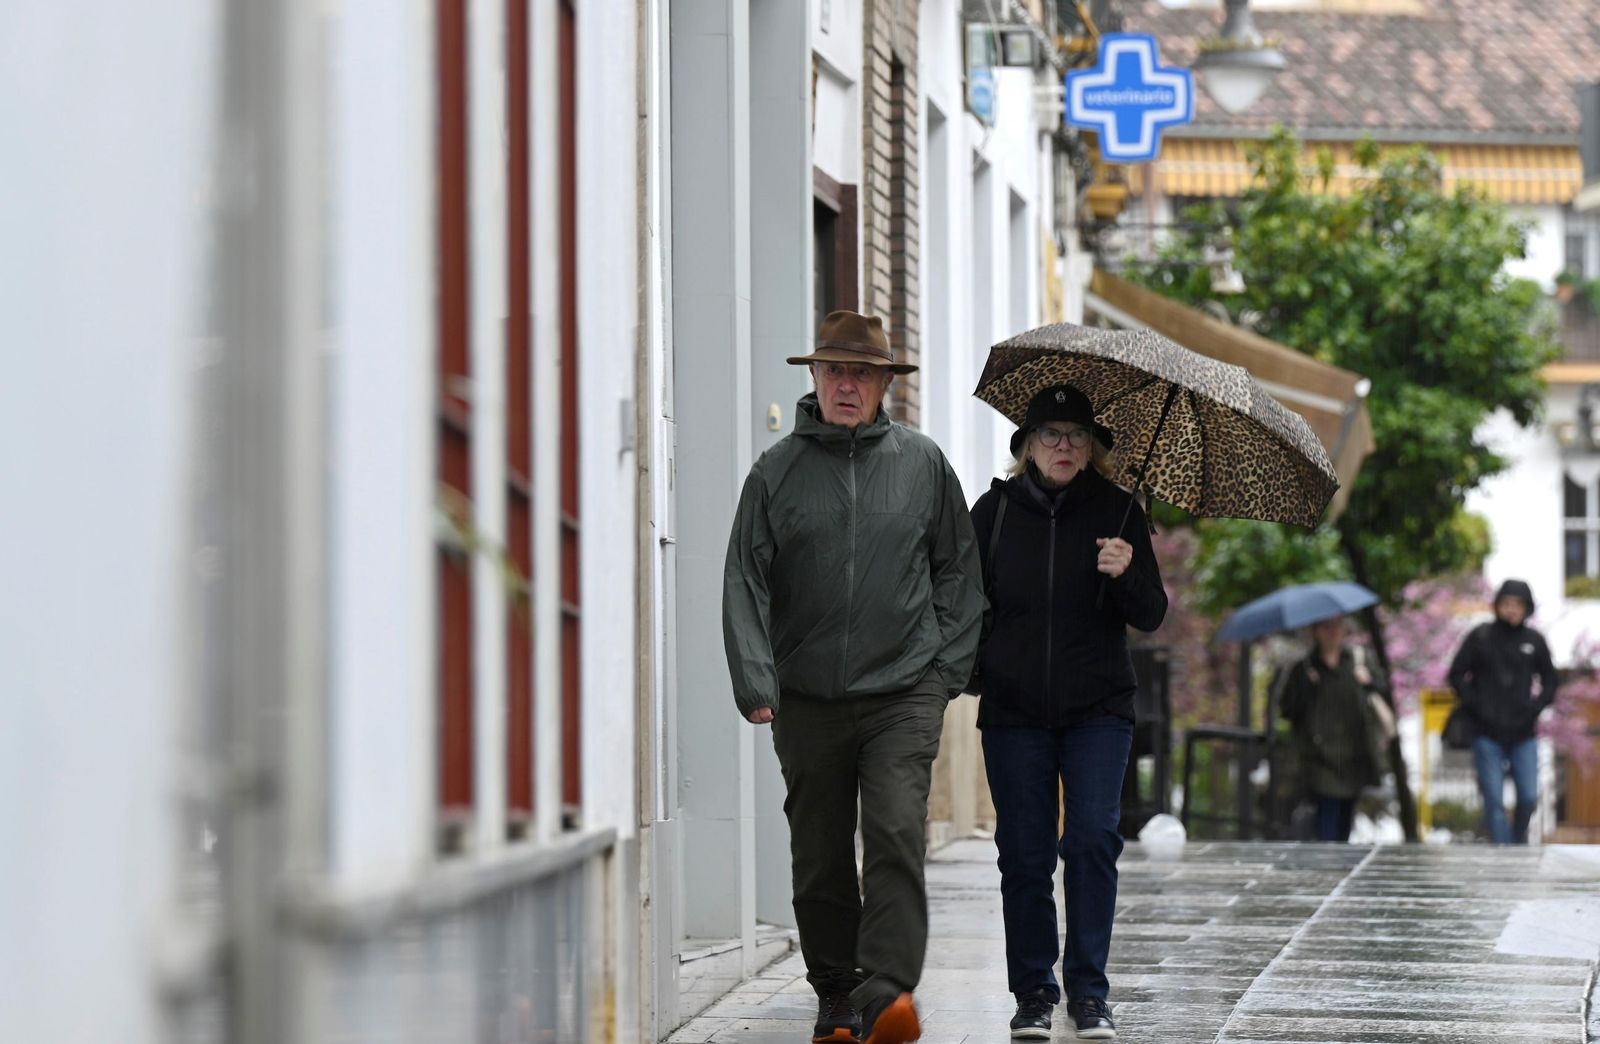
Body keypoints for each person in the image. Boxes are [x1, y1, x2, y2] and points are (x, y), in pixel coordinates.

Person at [722, 310, 986, 1044]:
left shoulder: (923, 464)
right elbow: (745, 578)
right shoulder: (775, 473)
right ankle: (836, 993)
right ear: (813, 378)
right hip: (807, 699)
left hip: (903, 691)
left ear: (882, 386)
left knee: (898, 831)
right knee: (821, 851)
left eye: (862, 373)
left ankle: (889, 992)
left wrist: (945, 672)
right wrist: (756, 679)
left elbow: (960, 572)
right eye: (835, 370)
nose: (847, 384)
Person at [968, 385, 1167, 1041]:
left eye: (1076, 436)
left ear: (1092, 449)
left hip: (1098, 709)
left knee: (1090, 840)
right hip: (1014, 711)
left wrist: (1126, 570)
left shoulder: (1118, 513)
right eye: (1050, 434)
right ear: (1026, 444)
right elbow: (963, 601)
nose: (1062, 446)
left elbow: (1151, 613)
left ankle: (1088, 993)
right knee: (1023, 853)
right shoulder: (993, 512)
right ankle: (1032, 991)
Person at [1447, 579, 1559, 844]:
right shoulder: (1480, 637)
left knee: (1529, 797)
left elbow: (1551, 681)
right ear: (1497, 605)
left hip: (1523, 733)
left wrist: (1534, 709)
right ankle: (1503, 853)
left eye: (1518, 605)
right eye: (1506, 603)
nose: (1512, 610)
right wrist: (1476, 705)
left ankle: (1516, 844)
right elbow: (1456, 675)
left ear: (1527, 608)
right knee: (1494, 800)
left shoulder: (1534, 641)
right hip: (1486, 733)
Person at [1279, 615, 1390, 843]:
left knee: (1345, 812)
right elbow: (1288, 709)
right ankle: (1329, 859)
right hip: (1319, 754)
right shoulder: (1305, 668)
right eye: (1326, 627)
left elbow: (1384, 689)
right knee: (1326, 810)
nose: (1332, 632)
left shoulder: (1359, 660)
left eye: (1337, 626)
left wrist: (1368, 682)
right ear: (1316, 631)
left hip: (1354, 751)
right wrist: (1306, 687)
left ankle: (1339, 856)